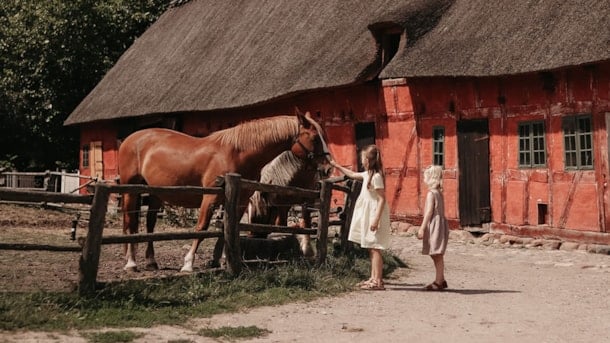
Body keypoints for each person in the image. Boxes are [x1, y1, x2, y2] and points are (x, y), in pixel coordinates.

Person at [329, 145, 390, 290]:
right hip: (368, 213)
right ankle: (373, 277)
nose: (362, 161)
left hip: (374, 213)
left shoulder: (376, 177)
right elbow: (351, 174)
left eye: (363, 158)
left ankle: (378, 281)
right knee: (370, 246)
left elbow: (382, 199)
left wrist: (376, 219)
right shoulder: (366, 174)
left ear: (368, 160)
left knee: (375, 247)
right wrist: (336, 165)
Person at [417, 165, 449, 291]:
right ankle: (440, 278)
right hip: (439, 224)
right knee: (435, 253)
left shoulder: (431, 194)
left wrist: (422, 227)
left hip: (434, 225)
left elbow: (429, 212)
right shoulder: (439, 193)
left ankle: (439, 280)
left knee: (436, 253)